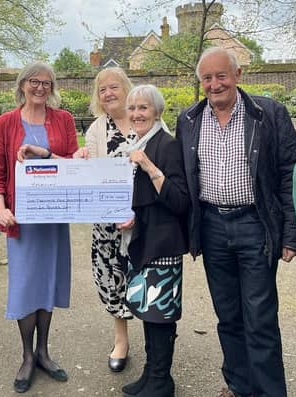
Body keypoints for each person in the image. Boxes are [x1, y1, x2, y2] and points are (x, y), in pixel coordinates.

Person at [176, 47, 296, 397]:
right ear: (200, 81)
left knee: (260, 318)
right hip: (212, 226)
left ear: (238, 75)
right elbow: (182, 180)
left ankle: (269, 392)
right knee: (228, 316)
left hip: (255, 225)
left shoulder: (269, 113)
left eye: (221, 76)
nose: (215, 84)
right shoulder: (188, 120)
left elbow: (292, 174)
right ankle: (239, 385)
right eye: (207, 78)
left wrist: (291, 234)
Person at [0, 61, 78, 393]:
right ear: (22, 85)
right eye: (34, 82)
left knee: (47, 285)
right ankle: (26, 355)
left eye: (47, 83)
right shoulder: (6, 123)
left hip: (53, 219)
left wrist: (45, 153)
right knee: (26, 286)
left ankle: (43, 352)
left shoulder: (63, 120)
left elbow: (75, 164)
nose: (40, 88)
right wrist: (1, 208)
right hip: (22, 222)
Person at [120, 85, 189, 397]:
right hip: (144, 240)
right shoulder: (137, 142)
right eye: (132, 108)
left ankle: (162, 381)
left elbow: (179, 200)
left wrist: (148, 166)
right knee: (148, 310)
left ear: (157, 111)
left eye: (143, 108)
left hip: (163, 243)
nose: (136, 114)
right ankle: (151, 374)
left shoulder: (167, 144)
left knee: (161, 312)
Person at [84, 67, 136, 372]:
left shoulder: (147, 118)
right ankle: (121, 339)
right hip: (107, 222)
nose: (108, 94)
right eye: (102, 90)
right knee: (112, 279)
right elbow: (90, 176)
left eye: (113, 87)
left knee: (148, 278)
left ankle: (158, 341)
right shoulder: (95, 130)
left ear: (126, 88)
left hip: (144, 218)